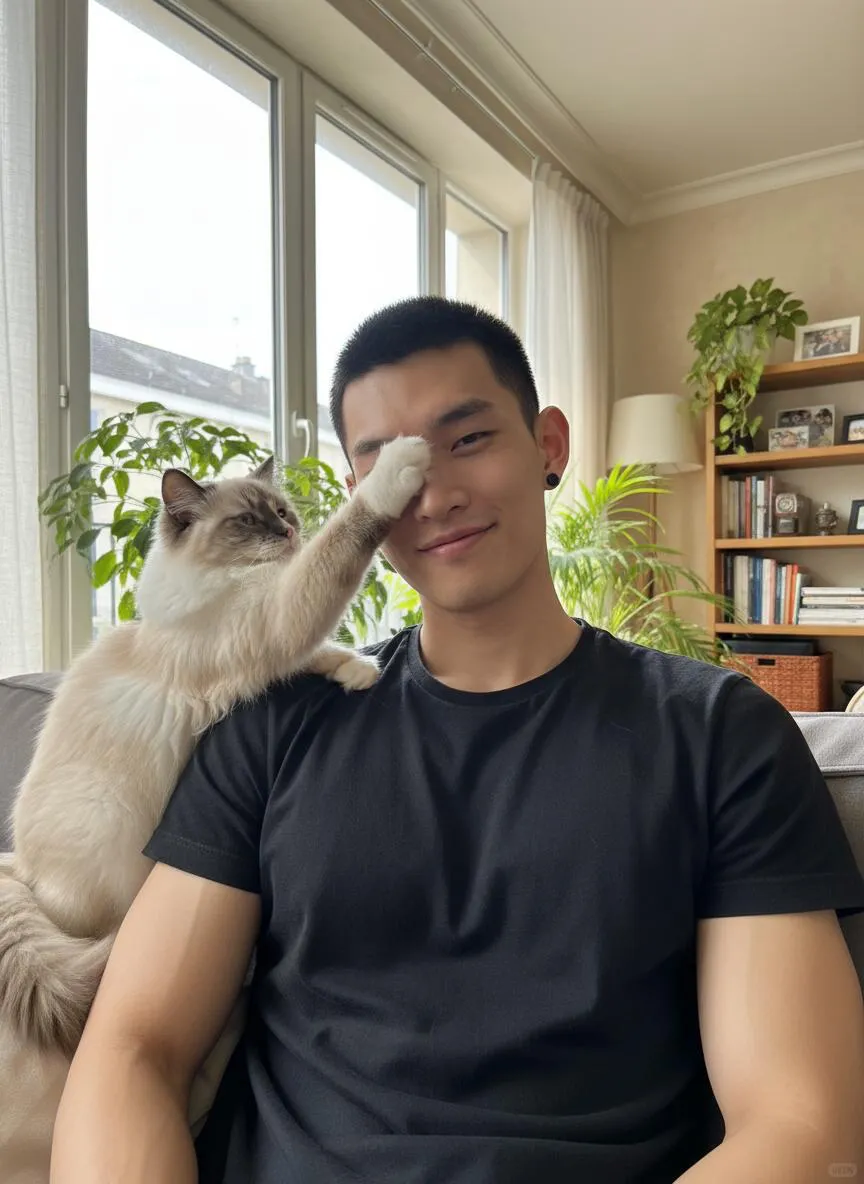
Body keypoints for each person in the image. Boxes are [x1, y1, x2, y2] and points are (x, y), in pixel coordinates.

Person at [52, 297, 864, 1184]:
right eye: (390, 467)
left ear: (549, 445)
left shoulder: (721, 734)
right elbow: (133, 1047)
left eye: (468, 439)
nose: (432, 495)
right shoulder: (272, 721)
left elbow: (801, 1123)